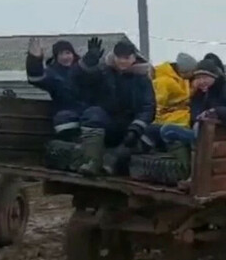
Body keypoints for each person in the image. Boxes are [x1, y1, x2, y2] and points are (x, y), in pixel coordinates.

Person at [74, 38, 155, 175]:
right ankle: (92, 161)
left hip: (130, 127)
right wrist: (89, 60)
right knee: (93, 114)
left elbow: (148, 107)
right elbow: (80, 80)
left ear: (134, 58)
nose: (122, 61)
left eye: (126, 57)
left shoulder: (142, 79)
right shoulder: (103, 72)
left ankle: (113, 161)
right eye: (119, 57)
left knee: (149, 134)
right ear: (114, 56)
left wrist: (136, 128)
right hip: (108, 124)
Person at [158, 58, 226, 145]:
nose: (201, 81)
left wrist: (215, 112)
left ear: (214, 77)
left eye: (205, 77)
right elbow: (195, 116)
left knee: (168, 130)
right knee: (157, 129)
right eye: (198, 78)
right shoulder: (198, 94)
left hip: (221, 136)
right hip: (202, 133)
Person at [26, 38, 84, 141]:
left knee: (95, 116)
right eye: (61, 54)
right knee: (64, 118)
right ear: (56, 57)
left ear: (73, 54)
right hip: (65, 114)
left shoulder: (83, 69)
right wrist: (34, 59)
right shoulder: (53, 74)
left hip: (86, 113)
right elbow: (36, 78)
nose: (65, 57)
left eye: (68, 53)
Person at [140, 52, 198, 150]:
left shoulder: (180, 78)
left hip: (179, 115)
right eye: (192, 72)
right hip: (169, 118)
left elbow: (182, 96)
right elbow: (158, 104)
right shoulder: (164, 81)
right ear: (184, 70)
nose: (193, 75)